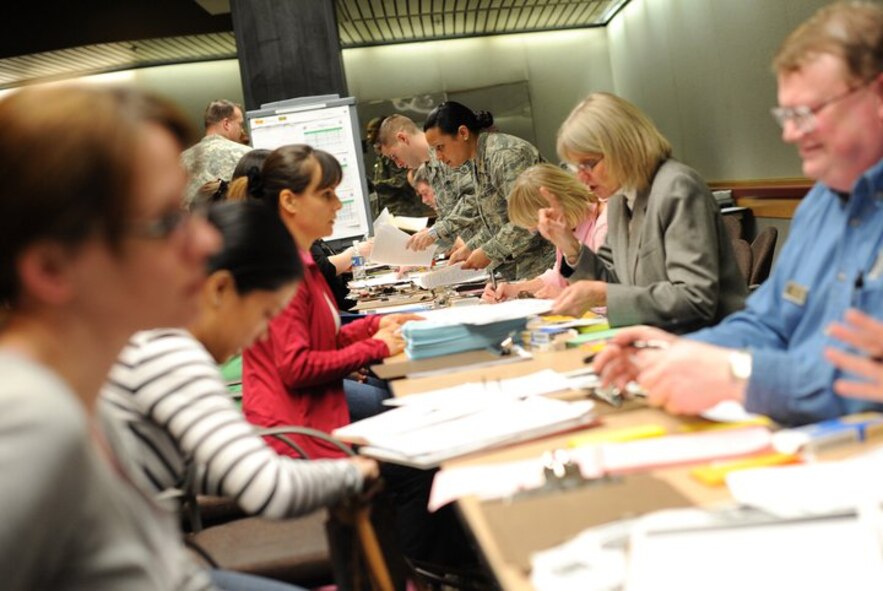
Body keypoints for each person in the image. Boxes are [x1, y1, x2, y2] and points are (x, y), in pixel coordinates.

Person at [592, 1, 883, 426]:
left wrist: (737, 374)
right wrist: (682, 354)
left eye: (806, 113)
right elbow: (768, 324)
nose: (788, 133)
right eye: (785, 114)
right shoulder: (821, 204)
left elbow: (865, 378)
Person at [0, 84, 223, 589]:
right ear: (51, 268)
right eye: (168, 221)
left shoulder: (85, 395)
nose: (207, 240)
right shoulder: (29, 421)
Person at [99, 200, 378, 525]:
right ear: (220, 290)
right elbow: (270, 491)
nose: (260, 335)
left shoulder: (152, 339)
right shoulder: (173, 355)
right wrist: (355, 471)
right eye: (265, 314)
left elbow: (191, 473)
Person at [242, 144, 420, 455]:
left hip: (310, 419)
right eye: (326, 195)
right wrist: (376, 345)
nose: (337, 204)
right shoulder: (281, 271)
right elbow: (296, 366)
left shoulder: (299, 262)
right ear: (289, 201)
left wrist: (374, 325)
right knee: (412, 457)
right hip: (294, 435)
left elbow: (322, 340)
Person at [549, 92, 747, 331]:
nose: (581, 177)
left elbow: (695, 299)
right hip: (657, 341)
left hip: (707, 344)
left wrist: (606, 295)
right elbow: (612, 280)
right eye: (575, 167)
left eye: (588, 164)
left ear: (622, 148)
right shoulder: (620, 199)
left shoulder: (676, 187)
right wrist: (571, 248)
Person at [422, 101, 555, 281]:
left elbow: (530, 219)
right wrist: (470, 248)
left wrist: (488, 251)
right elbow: (497, 220)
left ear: (463, 133)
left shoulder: (503, 155)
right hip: (527, 268)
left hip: (548, 265)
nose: (438, 157)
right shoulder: (479, 157)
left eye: (440, 147)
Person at [482, 163, 608, 302]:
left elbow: (612, 293)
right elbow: (558, 276)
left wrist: (563, 296)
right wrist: (514, 289)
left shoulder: (605, 224)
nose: (534, 231)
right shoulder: (571, 226)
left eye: (537, 224)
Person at [377, 114, 479, 253]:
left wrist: (434, 232)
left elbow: (476, 201)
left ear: (402, 138)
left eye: (394, 156)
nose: (398, 165)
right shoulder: (429, 167)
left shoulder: (448, 153)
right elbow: (451, 218)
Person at [181, 99, 251, 205]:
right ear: (226, 124)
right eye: (240, 124)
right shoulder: (247, 155)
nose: (241, 130)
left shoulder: (181, 159)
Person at [366, 116, 434, 218]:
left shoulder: (446, 157)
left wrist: (375, 184)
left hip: (404, 211)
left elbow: (402, 181)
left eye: (394, 156)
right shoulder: (384, 156)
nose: (399, 164)